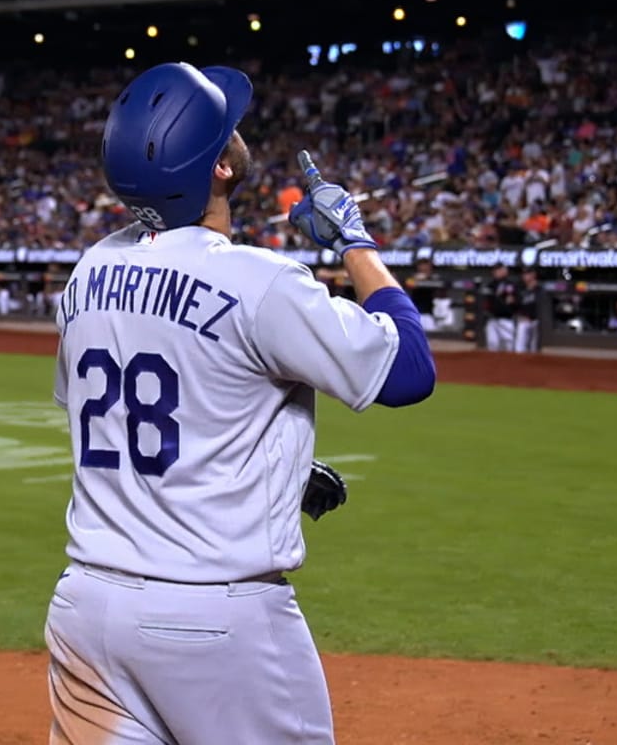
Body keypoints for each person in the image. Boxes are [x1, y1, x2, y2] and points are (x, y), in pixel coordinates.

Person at [44, 62, 436, 745]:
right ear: (218, 169)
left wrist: (270, 466)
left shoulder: (89, 273)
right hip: (215, 625)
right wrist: (355, 244)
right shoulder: (259, 279)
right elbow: (408, 370)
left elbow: (117, 419)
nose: (239, 135)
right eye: (228, 130)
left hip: (86, 609)